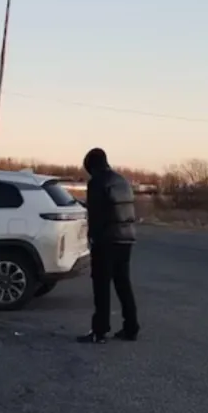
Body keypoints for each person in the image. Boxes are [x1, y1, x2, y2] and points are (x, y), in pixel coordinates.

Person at [78, 147, 140, 344]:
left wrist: (93, 237)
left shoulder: (97, 182)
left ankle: (100, 330)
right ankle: (131, 327)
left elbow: (96, 214)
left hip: (106, 240)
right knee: (123, 284)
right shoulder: (122, 181)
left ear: (92, 166)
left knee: (101, 285)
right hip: (126, 238)